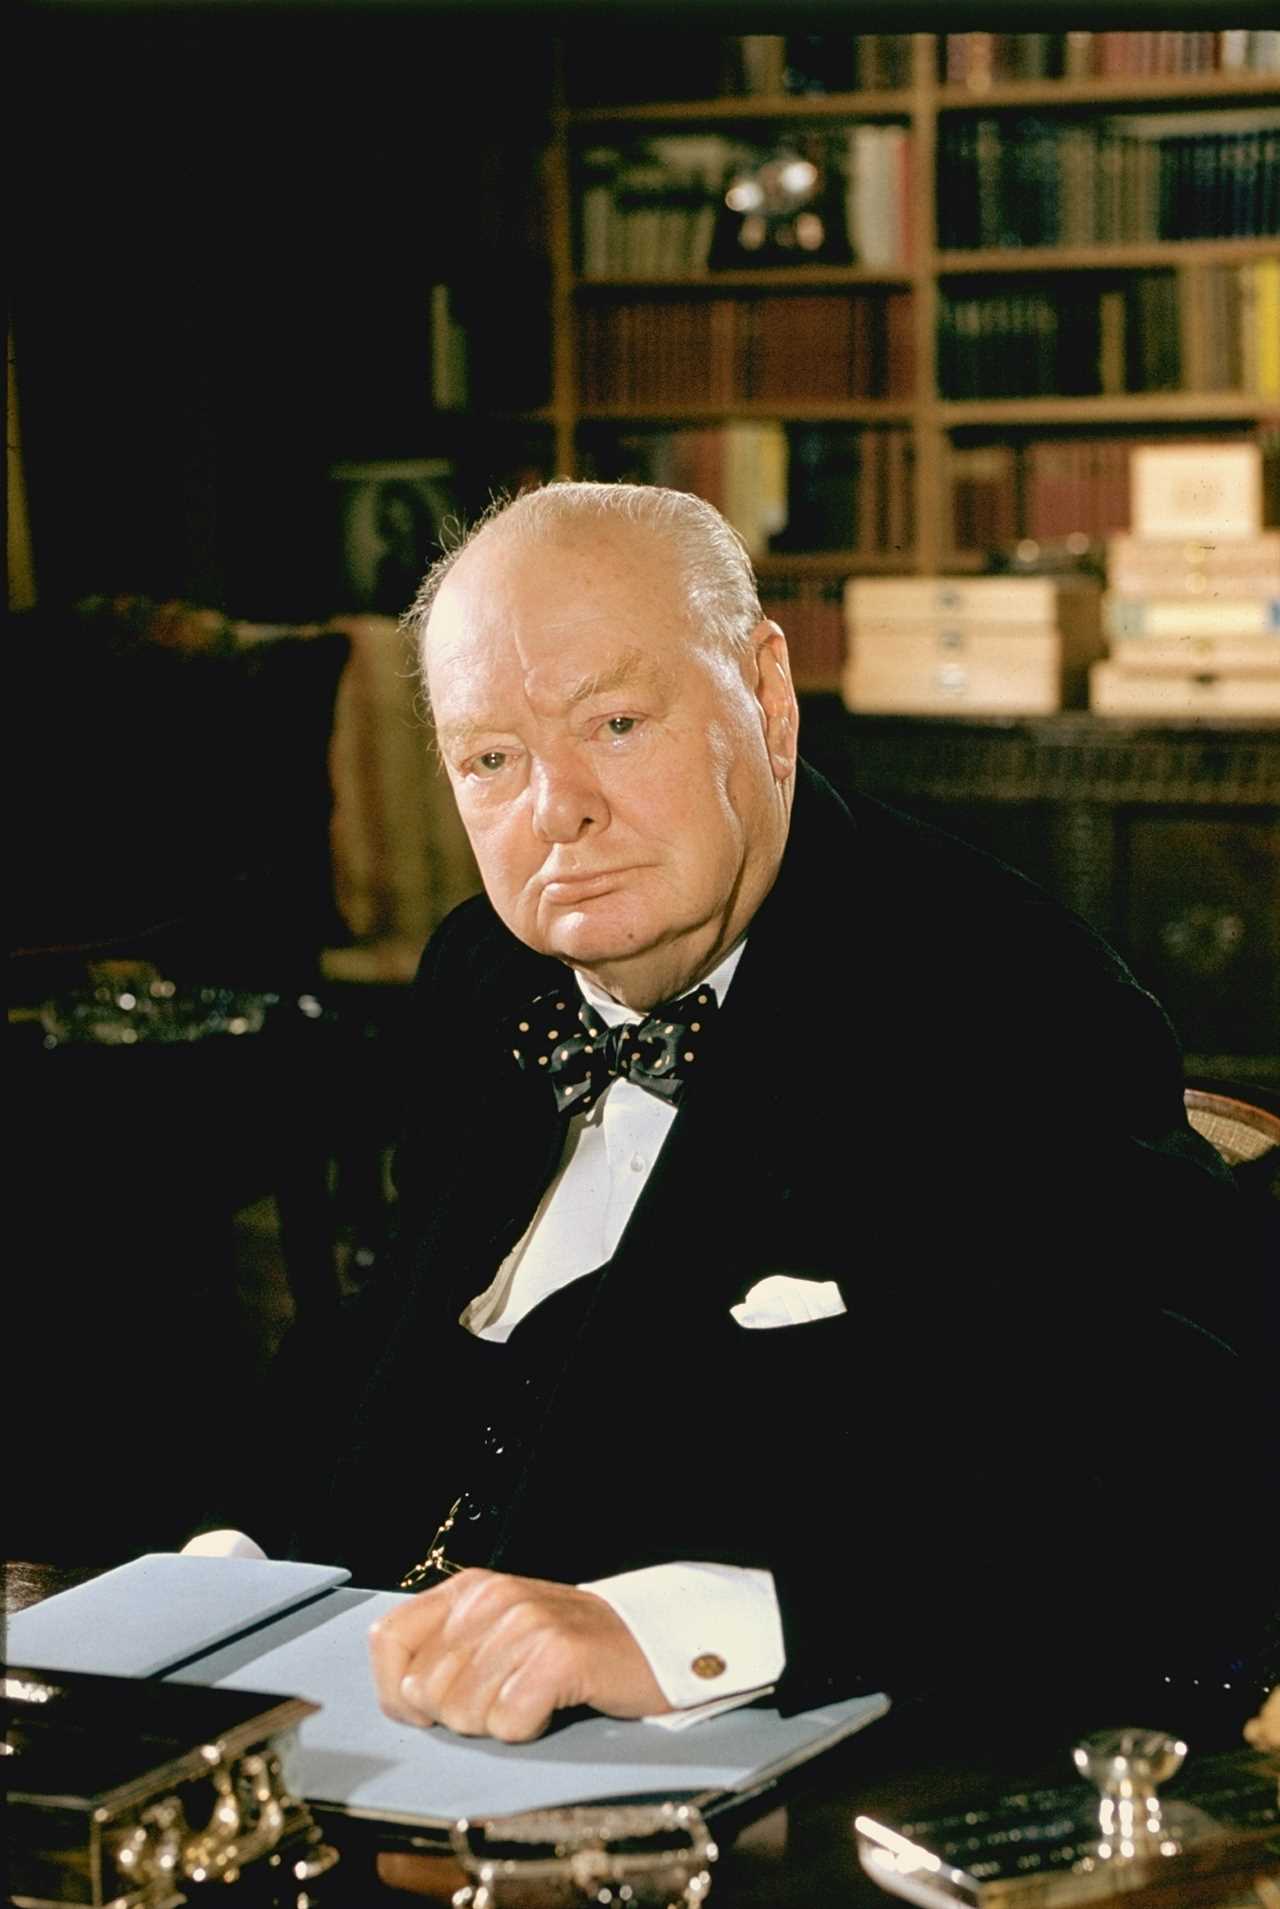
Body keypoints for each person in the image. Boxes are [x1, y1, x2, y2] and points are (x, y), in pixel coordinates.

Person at [222, 482, 1273, 1745]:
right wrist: (224, 1578)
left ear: (764, 697)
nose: (557, 808)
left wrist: (679, 1632)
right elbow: (390, 1357)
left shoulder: (998, 992)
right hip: (364, 1722)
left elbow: (1179, 1481)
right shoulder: (481, 977)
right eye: (491, 758)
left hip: (760, 1779)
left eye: (612, 722)